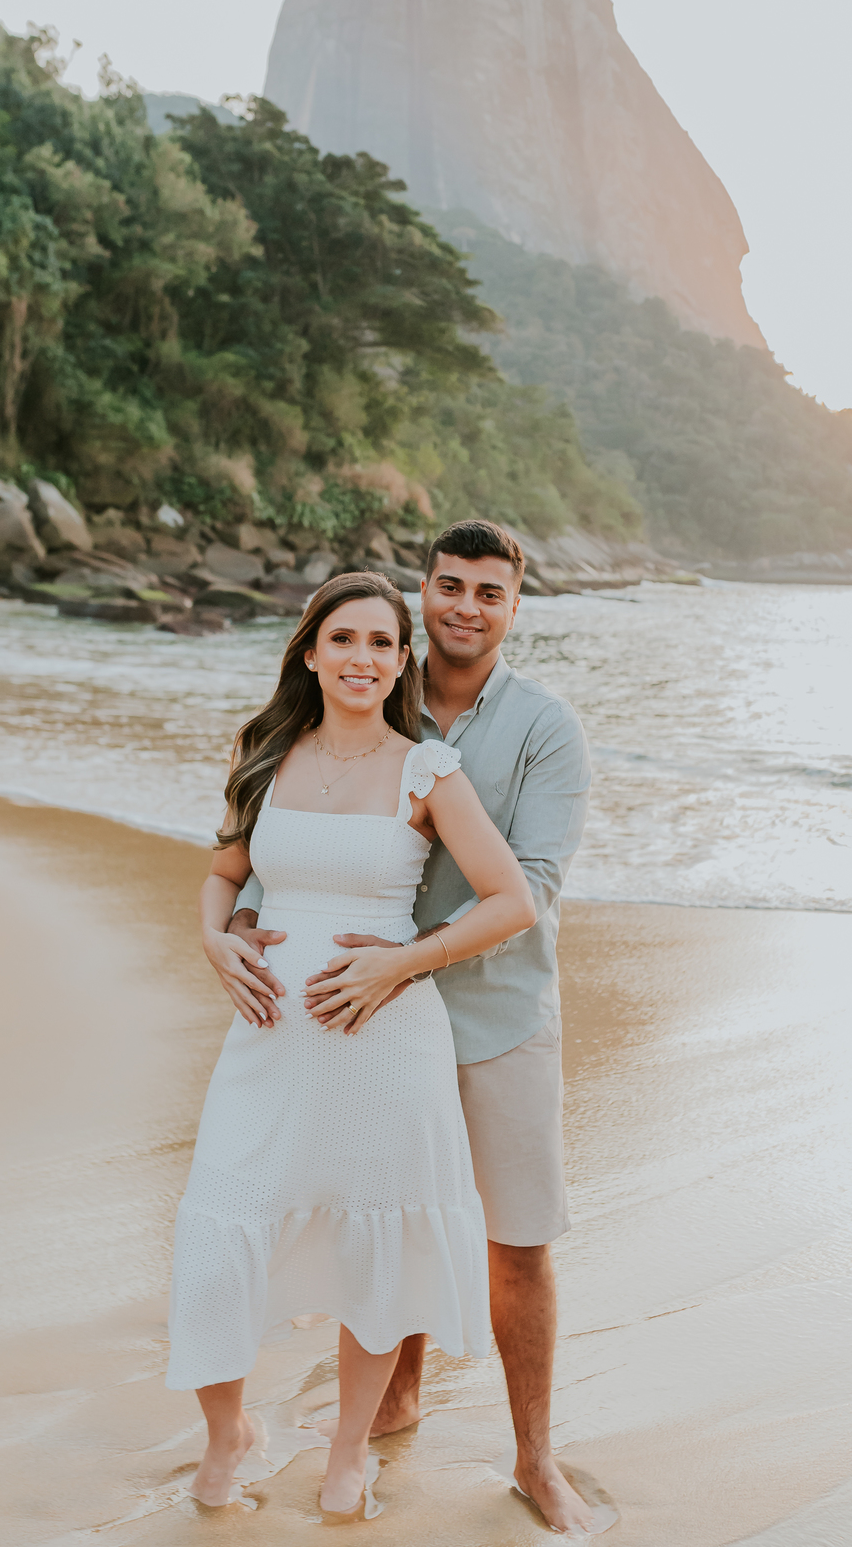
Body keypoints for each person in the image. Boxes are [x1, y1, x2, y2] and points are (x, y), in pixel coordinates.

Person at [216, 519, 599, 1534]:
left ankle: (535, 1458)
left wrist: (402, 959)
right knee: (383, 1209)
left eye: (489, 592)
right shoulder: (372, 687)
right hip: (360, 1020)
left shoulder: (545, 727)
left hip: (495, 1014)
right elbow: (291, 828)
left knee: (516, 1241)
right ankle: (394, 1399)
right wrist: (243, 919)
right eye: (450, 586)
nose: (466, 606)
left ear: (513, 608)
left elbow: (533, 887)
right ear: (422, 592)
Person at [169, 570, 536, 1517]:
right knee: (218, 1238)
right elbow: (223, 874)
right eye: (343, 639)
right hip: (267, 1041)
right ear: (309, 652)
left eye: (381, 642)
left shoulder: (427, 771)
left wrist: (404, 962)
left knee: (374, 1245)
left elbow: (512, 900)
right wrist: (213, 937)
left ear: (403, 661)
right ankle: (226, 1434)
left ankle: (346, 1455)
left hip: (384, 1043)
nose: (361, 658)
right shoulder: (265, 752)